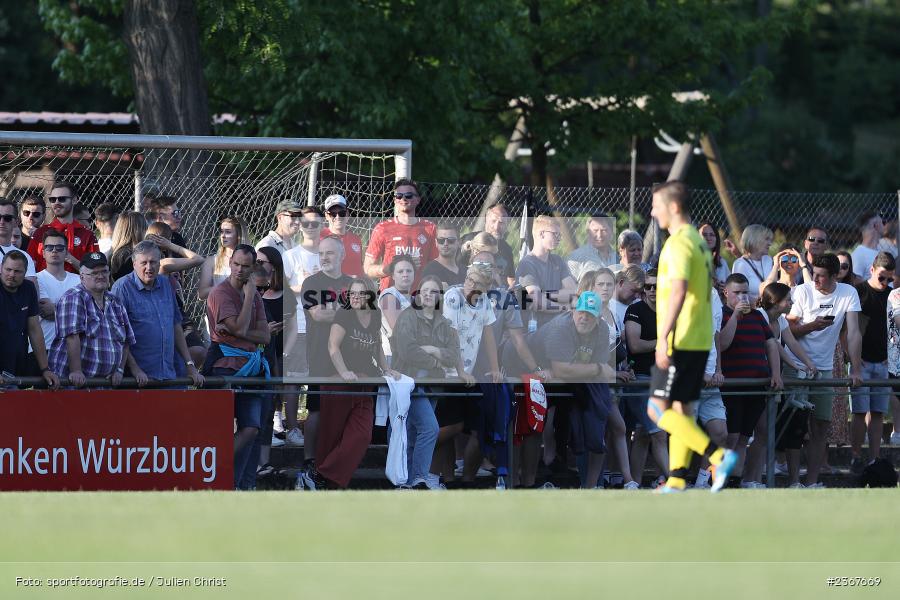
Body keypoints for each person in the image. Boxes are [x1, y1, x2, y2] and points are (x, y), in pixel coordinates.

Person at [646, 181, 737, 494]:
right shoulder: (699, 242)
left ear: (673, 207)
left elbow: (679, 290)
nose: (652, 211)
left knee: (658, 410)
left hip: (681, 340)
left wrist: (662, 339)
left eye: (657, 205)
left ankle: (718, 455)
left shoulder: (679, 242)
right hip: (698, 340)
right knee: (683, 411)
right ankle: (676, 479)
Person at [302, 278, 401, 490]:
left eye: (360, 294)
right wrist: (344, 371)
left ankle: (320, 475)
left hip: (364, 383)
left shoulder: (375, 315)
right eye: (352, 294)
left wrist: (386, 369)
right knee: (332, 435)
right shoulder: (344, 314)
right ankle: (328, 485)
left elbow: (377, 347)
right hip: (339, 382)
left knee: (362, 435)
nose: (355, 298)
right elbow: (333, 346)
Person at [786, 253, 863, 488]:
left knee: (820, 425)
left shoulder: (848, 293)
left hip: (825, 368)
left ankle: (811, 482)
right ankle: (793, 482)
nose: (815, 279)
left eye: (821, 276)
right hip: (797, 366)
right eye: (814, 273)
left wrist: (856, 370)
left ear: (834, 276)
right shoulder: (802, 291)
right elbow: (787, 332)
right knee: (795, 425)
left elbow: (853, 333)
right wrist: (812, 326)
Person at [391, 275, 472, 489]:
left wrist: (434, 350)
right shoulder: (407, 317)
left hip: (433, 385)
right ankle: (418, 477)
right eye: (424, 290)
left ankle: (405, 482)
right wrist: (436, 363)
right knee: (430, 428)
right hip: (409, 383)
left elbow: (454, 354)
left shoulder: (444, 323)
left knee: (413, 433)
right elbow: (407, 351)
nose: (428, 294)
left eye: (433, 291)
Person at [205, 244, 271, 489]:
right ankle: (214, 469)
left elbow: (265, 337)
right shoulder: (220, 293)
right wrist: (250, 298)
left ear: (253, 267)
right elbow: (243, 329)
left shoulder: (253, 294)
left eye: (245, 266)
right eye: (236, 264)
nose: (239, 270)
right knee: (219, 429)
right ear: (230, 262)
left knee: (252, 428)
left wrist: (238, 332)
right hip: (224, 366)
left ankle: (234, 482)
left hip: (251, 369)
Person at [540, 292, 616, 489]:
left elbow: (597, 367)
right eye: (581, 312)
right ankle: (523, 481)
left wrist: (594, 370)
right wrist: (598, 369)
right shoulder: (561, 327)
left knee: (594, 425)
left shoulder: (602, 331)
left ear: (599, 318)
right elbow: (562, 369)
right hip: (527, 365)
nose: (584, 317)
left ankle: (589, 487)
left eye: (590, 314)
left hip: (572, 381)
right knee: (539, 421)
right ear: (573, 311)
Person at [440, 264, 503, 485]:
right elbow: (452, 336)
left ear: (487, 288)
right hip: (447, 370)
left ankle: (467, 481)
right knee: (451, 425)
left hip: (469, 373)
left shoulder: (485, 302)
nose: (471, 285)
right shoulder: (452, 297)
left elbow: (488, 336)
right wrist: (459, 371)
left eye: (477, 283)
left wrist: (495, 368)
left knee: (479, 428)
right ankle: (445, 478)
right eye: (469, 279)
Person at [719, 273, 782, 488]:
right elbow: (723, 344)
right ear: (726, 292)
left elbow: (771, 344)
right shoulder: (721, 314)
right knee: (731, 437)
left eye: (745, 292)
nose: (742, 297)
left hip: (756, 386)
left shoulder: (757, 316)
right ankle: (720, 479)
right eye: (737, 293)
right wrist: (736, 316)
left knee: (745, 437)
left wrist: (776, 374)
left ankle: (736, 481)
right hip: (732, 386)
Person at [111, 240, 204, 387]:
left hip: (170, 373)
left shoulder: (166, 284)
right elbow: (118, 335)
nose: (149, 267)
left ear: (160, 263)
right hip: (137, 379)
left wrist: (190, 365)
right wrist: (135, 369)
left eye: (154, 262)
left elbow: (175, 325)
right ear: (134, 264)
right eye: (144, 263)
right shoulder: (122, 288)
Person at [297, 236, 354, 471]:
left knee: (345, 407)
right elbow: (318, 315)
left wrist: (336, 311)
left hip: (350, 355)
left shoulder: (354, 283)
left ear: (342, 256)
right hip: (320, 353)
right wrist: (347, 311)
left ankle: (338, 457)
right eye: (321, 254)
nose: (324, 258)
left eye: (330, 253)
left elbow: (364, 315)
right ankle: (310, 458)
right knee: (317, 408)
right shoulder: (312, 283)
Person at [756, 283, 818, 488]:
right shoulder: (761, 316)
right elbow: (774, 346)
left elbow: (791, 343)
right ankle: (753, 477)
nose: (791, 302)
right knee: (759, 431)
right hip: (759, 376)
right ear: (775, 301)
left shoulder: (780, 320)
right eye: (788, 299)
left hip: (773, 378)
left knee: (768, 429)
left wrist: (808, 364)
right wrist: (798, 366)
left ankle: (760, 476)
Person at [48, 252, 136, 388]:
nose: (100, 276)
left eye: (104, 272)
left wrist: (119, 369)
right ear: (82, 277)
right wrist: (76, 370)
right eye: (94, 273)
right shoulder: (74, 298)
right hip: (73, 386)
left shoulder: (115, 302)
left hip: (103, 386)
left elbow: (125, 341)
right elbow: (72, 337)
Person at [623, 268, 670, 485]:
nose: (652, 290)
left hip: (665, 380)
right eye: (648, 286)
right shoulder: (636, 309)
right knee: (658, 433)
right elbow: (634, 344)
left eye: (657, 286)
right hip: (641, 379)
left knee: (644, 433)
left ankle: (634, 483)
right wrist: (664, 344)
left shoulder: (671, 311)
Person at [849, 251, 895, 474]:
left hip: (883, 362)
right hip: (862, 362)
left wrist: (892, 355)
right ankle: (856, 456)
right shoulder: (859, 292)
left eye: (890, 279)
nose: (886, 282)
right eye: (882, 277)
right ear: (872, 271)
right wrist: (856, 361)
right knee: (859, 412)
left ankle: (874, 458)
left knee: (877, 412)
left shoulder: (893, 296)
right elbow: (852, 329)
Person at [364, 179, 437, 291]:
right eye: (399, 196)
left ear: (418, 200)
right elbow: (367, 269)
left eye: (408, 195)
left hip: (420, 296)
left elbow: (436, 266)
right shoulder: (382, 228)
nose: (403, 199)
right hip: (390, 296)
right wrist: (390, 268)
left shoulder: (430, 228)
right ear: (394, 200)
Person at [0, 250, 59, 388]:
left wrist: (45, 369)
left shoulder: (29, 288)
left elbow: (34, 329)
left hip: (16, 363)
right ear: (1, 268)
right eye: (8, 269)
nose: (11, 275)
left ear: (25, 272)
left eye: (17, 271)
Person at [283, 207, 325, 379]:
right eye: (306, 223)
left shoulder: (329, 254)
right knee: (295, 379)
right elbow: (281, 290)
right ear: (300, 225)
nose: (310, 227)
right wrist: (304, 286)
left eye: (315, 223)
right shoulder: (290, 256)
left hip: (326, 325)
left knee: (321, 378)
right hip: (300, 325)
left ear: (322, 225)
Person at [516, 215, 578, 330]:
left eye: (560, 235)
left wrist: (545, 295)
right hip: (536, 327)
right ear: (541, 234)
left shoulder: (557, 260)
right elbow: (539, 303)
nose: (559, 238)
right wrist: (565, 308)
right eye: (555, 234)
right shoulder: (527, 264)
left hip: (560, 323)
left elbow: (573, 291)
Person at [27, 181, 99, 273]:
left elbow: (95, 271)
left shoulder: (87, 235)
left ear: (74, 200)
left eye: (62, 199)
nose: (56, 202)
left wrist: (69, 258)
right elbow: (29, 268)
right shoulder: (40, 233)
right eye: (53, 199)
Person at [34, 230, 81, 372]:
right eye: (49, 247)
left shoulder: (78, 280)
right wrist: (73, 312)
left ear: (66, 252)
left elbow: (86, 313)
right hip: (44, 347)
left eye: (60, 248)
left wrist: (56, 308)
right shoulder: (36, 279)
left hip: (75, 350)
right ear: (43, 252)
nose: (54, 250)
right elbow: (45, 312)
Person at [461, 202, 517, 287]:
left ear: (507, 225)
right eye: (493, 221)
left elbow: (511, 279)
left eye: (501, 223)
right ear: (486, 220)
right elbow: (454, 268)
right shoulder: (469, 240)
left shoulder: (507, 249)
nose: (496, 227)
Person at [198, 216, 250, 300]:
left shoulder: (251, 259)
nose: (223, 236)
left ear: (238, 234)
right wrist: (227, 286)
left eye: (228, 232)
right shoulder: (211, 261)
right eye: (222, 232)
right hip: (220, 307)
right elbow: (202, 294)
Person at [378, 255, 416, 367]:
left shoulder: (415, 299)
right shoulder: (388, 295)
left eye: (409, 271)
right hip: (391, 356)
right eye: (400, 271)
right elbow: (399, 328)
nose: (405, 274)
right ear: (393, 276)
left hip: (412, 354)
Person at [321, 194, 364, 278]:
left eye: (342, 213)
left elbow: (360, 268)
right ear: (326, 216)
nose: (338, 217)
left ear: (347, 214)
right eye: (333, 214)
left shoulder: (356, 239)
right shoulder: (320, 238)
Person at [567, 214, 617, 283]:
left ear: (611, 232)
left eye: (604, 230)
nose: (599, 235)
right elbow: (569, 288)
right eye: (595, 231)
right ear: (588, 233)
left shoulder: (618, 257)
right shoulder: (576, 257)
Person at [730, 223, 773, 303]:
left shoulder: (768, 260)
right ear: (755, 240)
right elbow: (738, 295)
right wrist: (758, 304)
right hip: (751, 311)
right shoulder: (740, 264)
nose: (770, 243)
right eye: (766, 239)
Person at [421, 221, 463, 289]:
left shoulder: (465, 270)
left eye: (451, 240)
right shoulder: (430, 270)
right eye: (441, 240)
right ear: (436, 243)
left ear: (459, 242)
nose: (445, 244)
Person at [108, 211, 149, 281]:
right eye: (145, 228)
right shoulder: (127, 257)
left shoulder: (115, 253)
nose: (147, 232)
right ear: (138, 231)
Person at [609, 265, 645, 336]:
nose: (637, 296)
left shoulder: (639, 304)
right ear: (621, 283)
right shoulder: (605, 305)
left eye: (639, 292)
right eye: (634, 291)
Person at [851, 210, 883, 280]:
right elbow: (856, 285)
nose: (884, 225)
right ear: (876, 225)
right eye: (882, 222)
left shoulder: (881, 250)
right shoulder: (859, 254)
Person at [699, 222, 730, 294]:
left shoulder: (722, 262)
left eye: (712, 235)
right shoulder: (694, 260)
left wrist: (725, 287)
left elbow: (731, 286)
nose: (708, 238)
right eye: (704, 234)